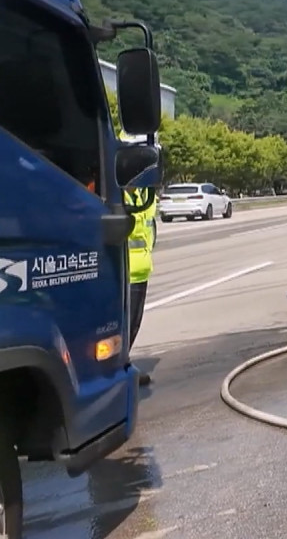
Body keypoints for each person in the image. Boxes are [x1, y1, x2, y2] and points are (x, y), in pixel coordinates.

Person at [120, 131, 158, 386]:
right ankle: (119, 371)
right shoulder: (116, 193)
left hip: (139, 270)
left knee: (132, 326)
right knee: (121, 328)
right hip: (121, 272)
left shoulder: (141, 195)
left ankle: (124, 365)